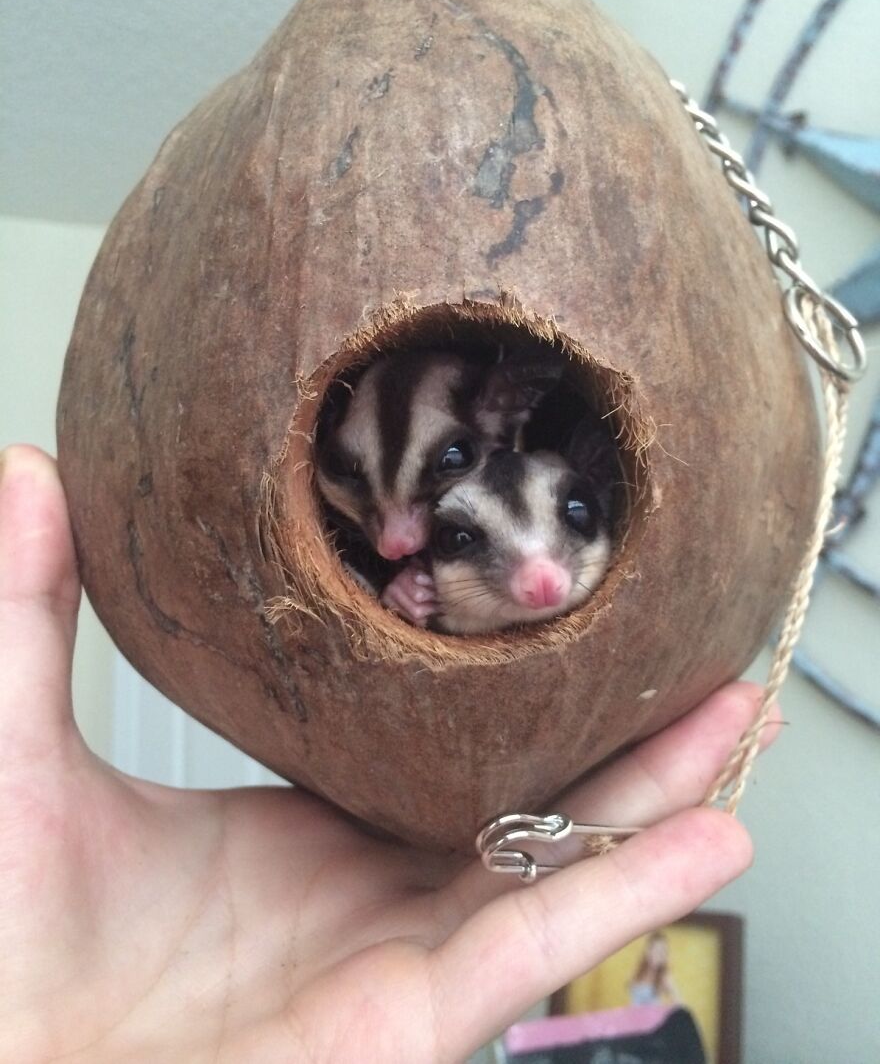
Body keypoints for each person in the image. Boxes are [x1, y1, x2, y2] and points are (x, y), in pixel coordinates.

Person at [0, 445, 776, 1062]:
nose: (541, 577)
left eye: (573, 516)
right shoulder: (421, 587)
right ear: (421, 568)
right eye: (469, 541)